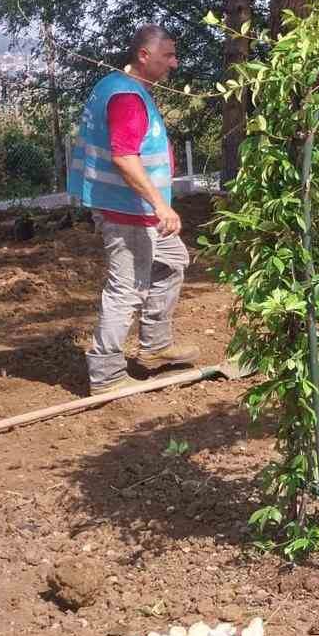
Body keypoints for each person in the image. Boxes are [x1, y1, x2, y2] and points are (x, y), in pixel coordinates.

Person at [69, 25, 199, 395]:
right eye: (168, 56)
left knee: (172, 261)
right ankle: (107, 373)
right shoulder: (126, 97)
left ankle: (155, 347)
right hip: (128, 209)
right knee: (126, 289)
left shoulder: (117, 85)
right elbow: (125, 158)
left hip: (131, 206)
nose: (174, 63)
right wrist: (160, 205)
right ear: (144, 55)